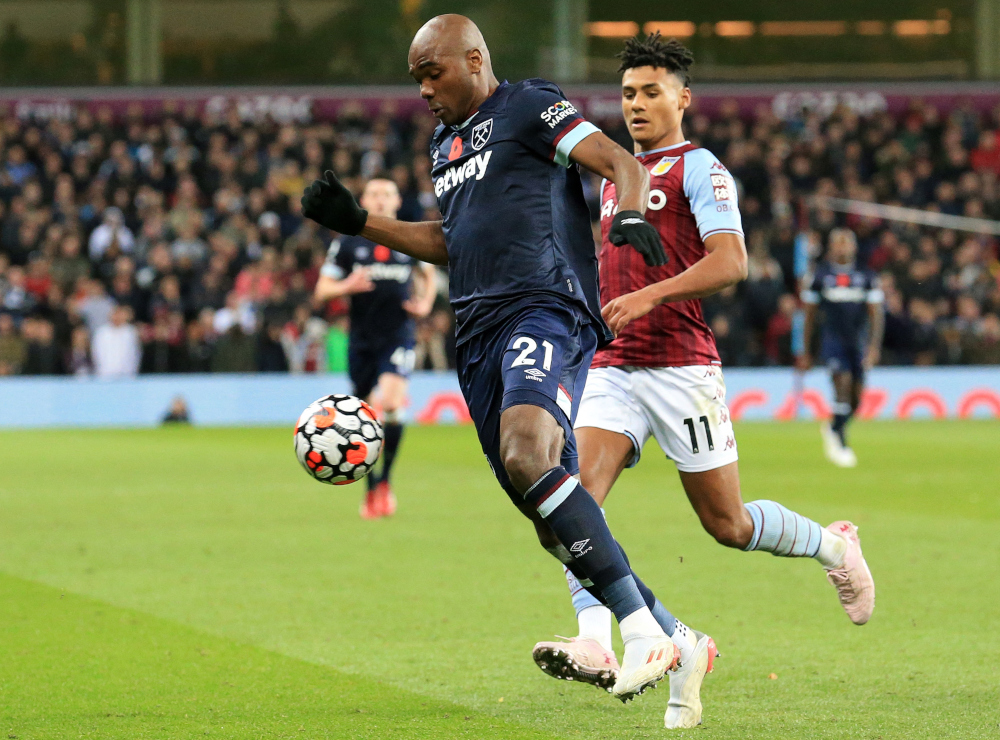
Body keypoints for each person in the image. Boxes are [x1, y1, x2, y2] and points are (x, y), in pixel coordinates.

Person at [302, 14, 682, 702]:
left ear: (474, 59)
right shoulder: (444, 145)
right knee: (546, 514)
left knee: (525, 453)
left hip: (543, 304)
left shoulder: (532, 106)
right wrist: (361, 223)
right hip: (474, 332)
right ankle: (676, 636)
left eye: (431, 73)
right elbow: (452, 238)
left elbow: (619, 162)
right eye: (416, 78)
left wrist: (630, 212)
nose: (423, 90)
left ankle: (640, 634)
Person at [530, 34, 876, 729]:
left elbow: (733, 261)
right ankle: (599, 642)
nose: (636, 105)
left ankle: (836, 546)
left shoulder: (701, 168)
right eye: (628, 93)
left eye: (650, 92)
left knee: (727, 523)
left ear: (682, 99)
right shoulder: (610, 176)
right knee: (569, 502)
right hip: (613, 366)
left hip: (683, 365)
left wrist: (650, 296)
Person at [313, 178, 438, 519]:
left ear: (397, 202)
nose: (380, 200)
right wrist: (345, 285)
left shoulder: (408, 238)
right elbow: (322, 291)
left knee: (393, 403)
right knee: (363, 415)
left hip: (398, 335)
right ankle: (370, 489)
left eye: (387, 194)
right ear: (363, 200)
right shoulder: (348, 244)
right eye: (374, 194)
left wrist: (425, 304)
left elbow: (429, 274)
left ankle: (385, 481)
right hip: (362, 340)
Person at [798, 228, 885, 467]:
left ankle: (834, 425)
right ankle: (841, 442)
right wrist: (805, 351)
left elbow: (876, 316)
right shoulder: (819, 276)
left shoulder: (866, 276)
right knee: (842, 382)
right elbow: (809, 318)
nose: (843, 247)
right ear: (830, 247)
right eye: (838, 242)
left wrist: (873, 347)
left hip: (857, 342)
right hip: (832, 340)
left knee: (856, 399)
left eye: (847, 242)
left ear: (855, 247)